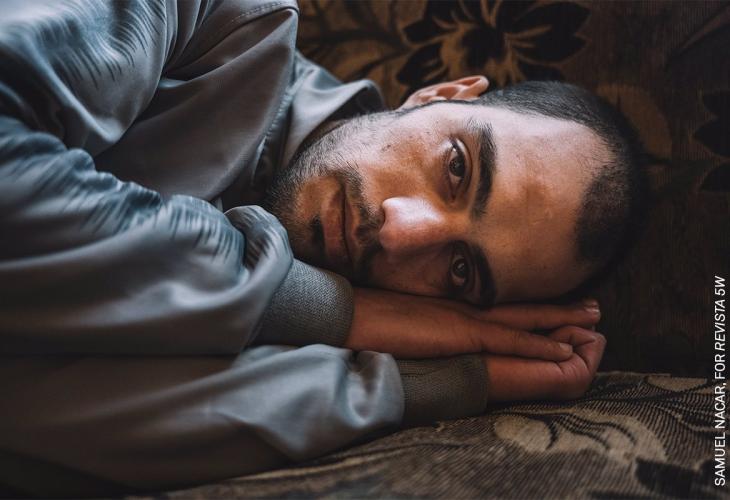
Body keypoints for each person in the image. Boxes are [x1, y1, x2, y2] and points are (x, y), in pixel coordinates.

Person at [0, 0, 646, 496]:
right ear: (441, 94)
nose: (399, 232)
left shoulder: (316, 352)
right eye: (457, 167)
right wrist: (331, 308)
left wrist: (427, 383)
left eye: (458, 270)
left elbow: (24, 415)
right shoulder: (218, 19)